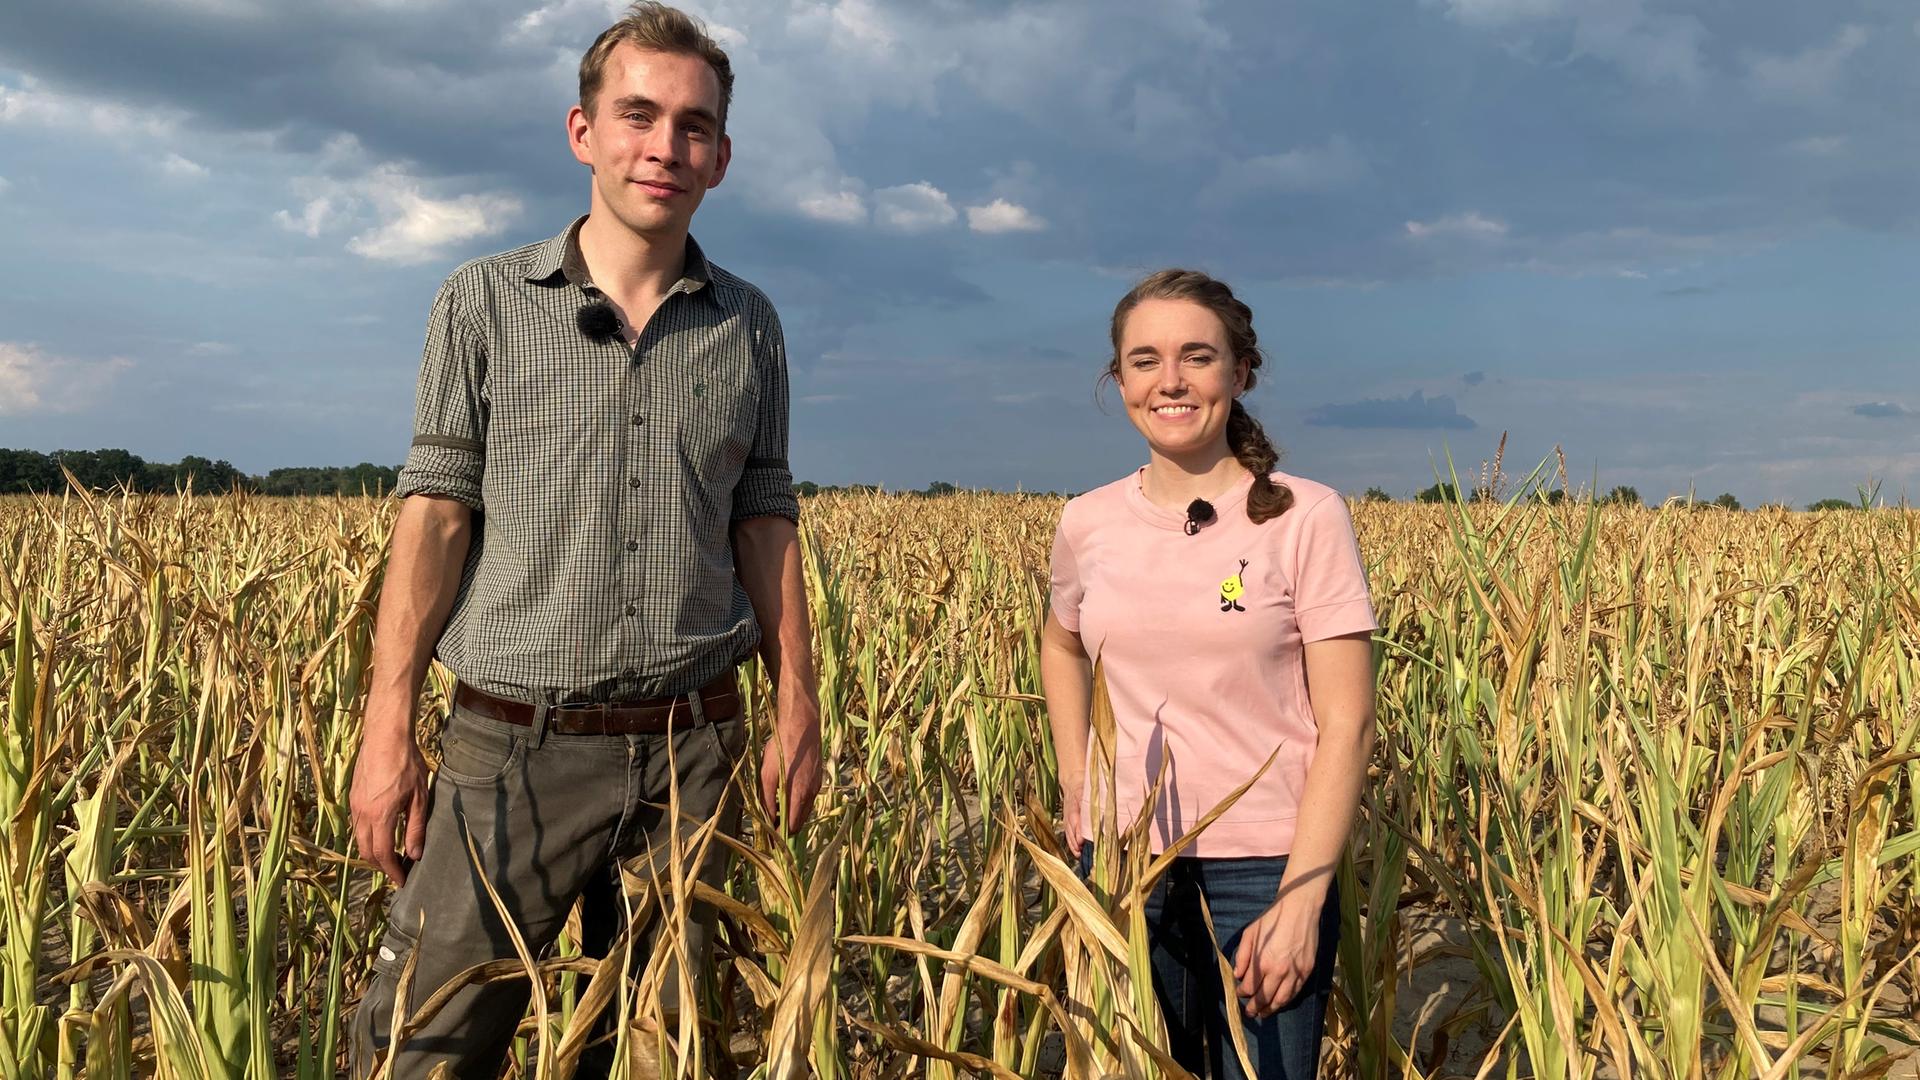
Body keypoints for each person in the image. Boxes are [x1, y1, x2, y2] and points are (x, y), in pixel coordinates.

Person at [345, 4, 822, 1075]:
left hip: (694, 751)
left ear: (723, 156)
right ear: (582, 131)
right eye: (638, 116)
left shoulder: (749, 324)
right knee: (421, 1045)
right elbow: (435, 514)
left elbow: (765, 517)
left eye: (694, 126)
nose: (666, 147)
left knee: (667, 1046)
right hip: (512, 748)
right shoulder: (483, 302)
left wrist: (798, 696)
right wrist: (388, 730)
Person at [1041, 270, 1378, 1078]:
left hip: (1265, 868)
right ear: (1117, 379)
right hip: (1125, 864)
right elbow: (1061, 645)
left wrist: (1302, 897)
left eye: (1198, 356)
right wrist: (1077, 780)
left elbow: (1349, 723)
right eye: (1145, 359)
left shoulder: (1306, 516)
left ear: (1240, 372)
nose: (1171, 381)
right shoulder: (1087, 522)